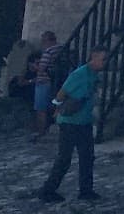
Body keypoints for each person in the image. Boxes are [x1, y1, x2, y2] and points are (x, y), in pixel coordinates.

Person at [39, 46, 107, 204]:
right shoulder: (79, 74)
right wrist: (56, 109)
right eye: (103, 59)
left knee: (87, 156)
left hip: (84, 122)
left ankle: (86, 190)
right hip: (70, 122)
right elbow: (62, 93)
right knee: (64, 158)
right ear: (94, 57)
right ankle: (47, 190)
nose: (105, 62)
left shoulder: (94, 74)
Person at [32, 31, 62, 138]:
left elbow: (41, 69)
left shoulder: (48, 51)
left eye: (43, 41)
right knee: (53, 107)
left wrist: (35, 66)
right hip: (56, 82)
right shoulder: (61, 49)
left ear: (47, 41)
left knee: (41, 109)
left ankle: (41, 132)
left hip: (44, 82)